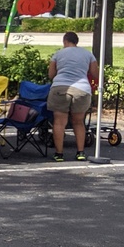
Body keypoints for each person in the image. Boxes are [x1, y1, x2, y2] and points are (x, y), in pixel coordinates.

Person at [47, 31, 98, 161]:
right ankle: (80, 152)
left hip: (60, 87)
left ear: (65, 41)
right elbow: (95, 73)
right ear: (77, 42)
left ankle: (59, 154)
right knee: (79, 122)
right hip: (82, 89)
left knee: (59, 122)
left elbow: (51, 75)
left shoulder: (58, 54)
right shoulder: (88, 54)